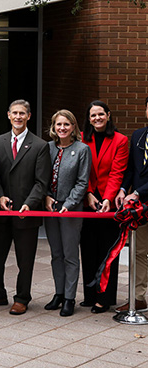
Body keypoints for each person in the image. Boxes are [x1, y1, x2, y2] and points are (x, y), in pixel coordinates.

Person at [0, 99, 50, 315]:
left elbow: (42, 182)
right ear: (8, 115)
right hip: (1, 212)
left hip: (26, 214)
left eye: (22, 113)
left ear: (29, 116)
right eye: (15, 113)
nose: (18, 117)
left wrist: (29, 204)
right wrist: (0, 197)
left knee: (25, 260)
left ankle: (22, 298)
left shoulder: (39, 145)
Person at [80, 100, 128, 313]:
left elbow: (118, 172)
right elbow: (82, 170)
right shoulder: (81, 138)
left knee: (107, 251)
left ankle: (105, 297)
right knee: (88, 248)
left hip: (110, 203)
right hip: (87, 200)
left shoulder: (120, 140)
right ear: (88, 119)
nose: (97, 118)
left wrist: (107, 198)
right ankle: (90, 295)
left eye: (100, 114)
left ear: (108, 115)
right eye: (93, 115)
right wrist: (89, 193)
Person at [43, 110, 90, 317]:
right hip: (50, 206)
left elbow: (82, 182)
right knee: (56, 253)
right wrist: (46, 196)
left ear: (73, 127)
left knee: (70, 254)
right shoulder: (48, 147)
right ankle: (59, 293)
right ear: (53, 127)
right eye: (58, 124)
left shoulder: (82, 149)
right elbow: (41, 175)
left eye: (66, 124)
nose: (62, 128)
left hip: (71, 208)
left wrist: (69, 203)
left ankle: (70, 298)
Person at [115, 96, 148, 312]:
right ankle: (138, 297)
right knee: (139, 252)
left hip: (140, 197)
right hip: (140, 209)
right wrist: (122, 189)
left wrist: (136, 192)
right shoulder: (138, 135)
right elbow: (130, 170)